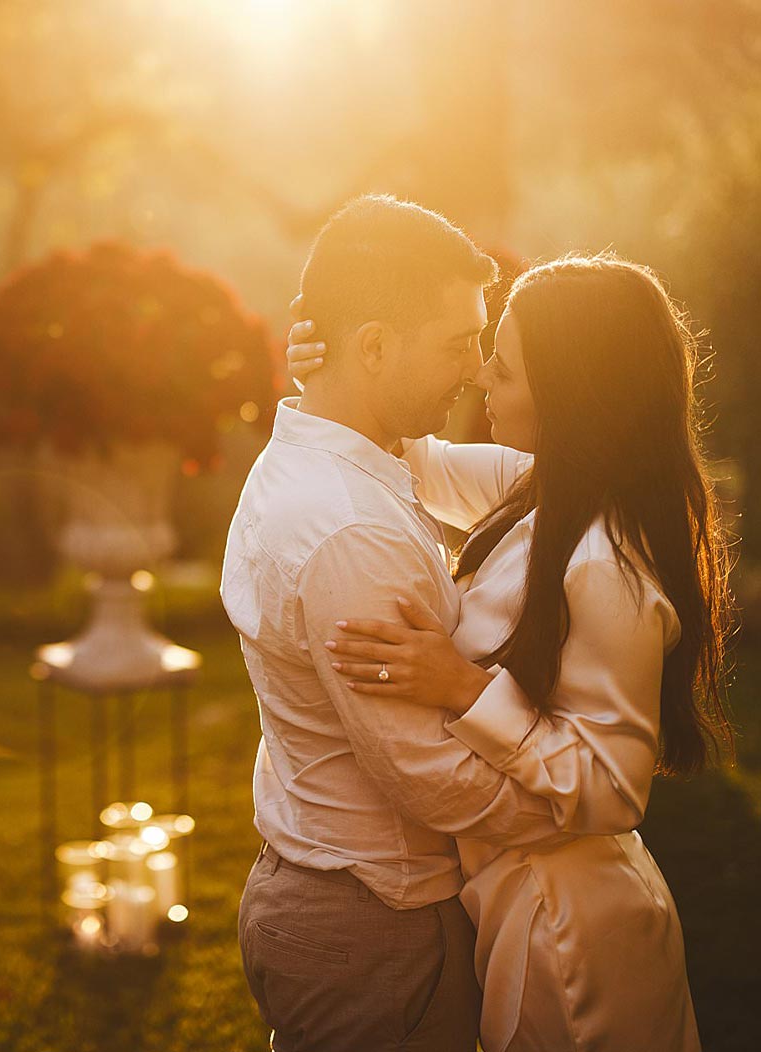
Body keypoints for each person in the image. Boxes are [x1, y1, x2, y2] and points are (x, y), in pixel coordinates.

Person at [287, 252, 733, 1052]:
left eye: (506, 365)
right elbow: (404, 457)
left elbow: (612, 787)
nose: (481, 375)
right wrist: (331, 375)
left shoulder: (605, 562)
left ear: (573, 389)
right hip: (517, 900)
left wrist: (463, 688)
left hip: (572, 936)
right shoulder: (544, 486)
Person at [222, 196, 634, 1052]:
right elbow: (432, 777)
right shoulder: (352, 529)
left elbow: (441, 465)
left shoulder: (324, 455)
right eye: (459, 345)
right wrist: (577, 816)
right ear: (375, 345)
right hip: (377, 929)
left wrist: (323, 372)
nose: (477, 371)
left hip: (331, 901)